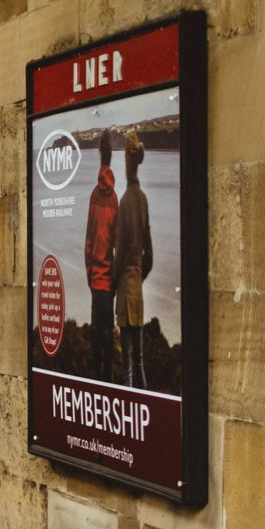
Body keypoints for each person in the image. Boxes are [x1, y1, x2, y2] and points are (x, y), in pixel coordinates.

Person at [113, 131, 154, 389]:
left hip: (125, 291)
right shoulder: (144, 200)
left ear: (127, 163)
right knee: (139, 361)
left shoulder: (126, 201)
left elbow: (118, 256)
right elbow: (149, 255)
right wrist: (139, 275)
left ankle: (130, 409)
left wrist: (115, 283)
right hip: (138, 289)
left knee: (127, 365)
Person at [85, 132, 120, 382]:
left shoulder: (94, 196)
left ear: (100, 156)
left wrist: (89, 274)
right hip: (109, 278)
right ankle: (107, 374)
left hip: (96, 278)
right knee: (108, 330)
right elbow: (117, 244)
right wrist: (115, 281)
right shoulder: (115, 199)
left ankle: (97, 373)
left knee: (96, 330)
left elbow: (88, 241)